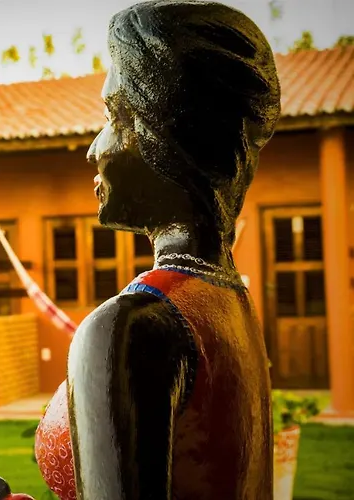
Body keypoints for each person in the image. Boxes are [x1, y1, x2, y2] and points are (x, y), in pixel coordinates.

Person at [34, 1, 281, 499]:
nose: (93, 149)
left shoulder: (128, 328)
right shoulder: (226, 301)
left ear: (166, 134)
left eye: (113, 115)